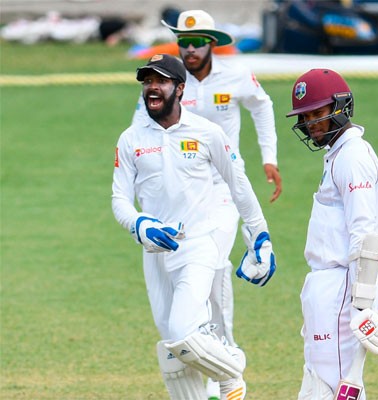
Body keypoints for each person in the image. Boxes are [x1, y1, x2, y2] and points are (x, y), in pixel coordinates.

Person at [134, 10, 283, 399]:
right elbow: (139, 135)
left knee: (214, 267)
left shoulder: (236, 75)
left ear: (212, 43)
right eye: (184, 42)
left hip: (222, 189)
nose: (190, 49)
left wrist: (269, 156)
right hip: (179, 197)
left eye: (197, 42)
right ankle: (215, 363)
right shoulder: (166, 80)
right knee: (183, 292)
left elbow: (262, 105)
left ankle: (226, 366)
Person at [286, 69, 378, 400]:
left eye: (318, 113)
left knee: (334, 386)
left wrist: (362, 305)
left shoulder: (353, 156)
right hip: (328, 286)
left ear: (341, 106)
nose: (311, 123)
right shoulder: (339, 154)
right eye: (306, 116)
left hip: (344, 288)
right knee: (321, 384)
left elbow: (365, 232)